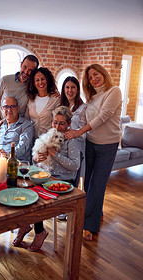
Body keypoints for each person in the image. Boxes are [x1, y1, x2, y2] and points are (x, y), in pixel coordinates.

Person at [66, 64, 122, 241]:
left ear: (103, 74)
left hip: (107, 145)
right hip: (91, 143)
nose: (94, 79)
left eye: (96, 74)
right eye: (90, 77)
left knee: (97, 183)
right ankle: (96, 213)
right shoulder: (92, 98)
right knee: (89, 182)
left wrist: (79, 132)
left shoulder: (114, 91)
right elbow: (82, 117)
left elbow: (103, 116)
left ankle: (88, 225)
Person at [12, 106, 80, 251]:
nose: (57, 126)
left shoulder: (71, 140)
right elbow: (37, 159)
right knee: (22, 189)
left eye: (62, 123)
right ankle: (24, 225)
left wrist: (55, 154)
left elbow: (75, 166)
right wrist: (37, 158)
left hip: (62, 180)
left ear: (68, 124)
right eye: (55, 122)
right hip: (45, 176)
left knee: (35, 197)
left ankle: (39, 232)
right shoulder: (48, 135)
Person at [57, 76, 87, 220]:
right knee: (62, 179)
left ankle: (70, 211)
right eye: (67, 87)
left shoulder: (83, 108)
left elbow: (85, 131)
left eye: (73, 87)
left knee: (73, 180)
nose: (70, 90)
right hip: (62, 146)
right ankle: (61, 208)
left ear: (77, 89)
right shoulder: (61, 106)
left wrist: (73, 134)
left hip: (77, 146)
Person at [0, 55, 39, 123]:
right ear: (21, 64)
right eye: (25, 67)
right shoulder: (5, 80)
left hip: (20, 127)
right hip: (2, 125)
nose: (26, 72)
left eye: (30, 70)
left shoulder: (33, 87)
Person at [25, 67, 60, 138]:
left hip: (48, 141)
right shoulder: (31, 100)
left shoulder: (55, 99)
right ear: (34, 83)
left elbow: (58, 123)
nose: (40, 82)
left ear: (47, 80)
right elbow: (26, 120)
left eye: (43, 79)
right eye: (37, 80)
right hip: (31, 141)